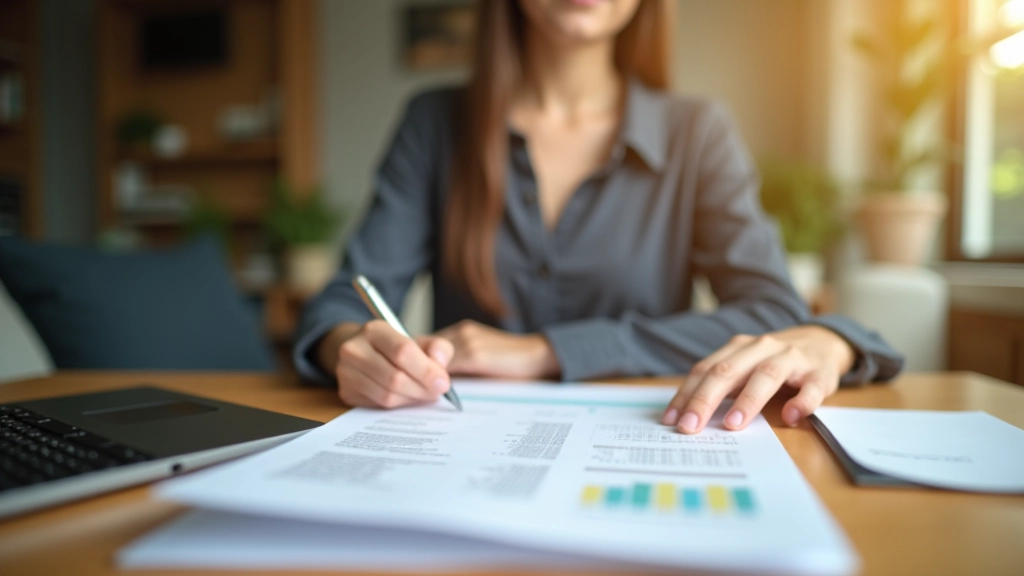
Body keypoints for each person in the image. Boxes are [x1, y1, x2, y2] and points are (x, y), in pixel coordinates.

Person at [294, 0, 903, 435]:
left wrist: (544, 351)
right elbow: (340, 306)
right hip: (461, 448)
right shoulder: (434, 124)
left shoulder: (696, 132)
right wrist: (351, 349)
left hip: (648, 439)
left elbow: (775, 315)